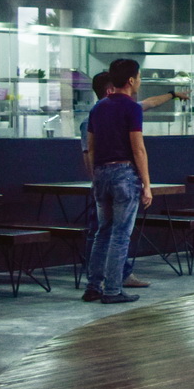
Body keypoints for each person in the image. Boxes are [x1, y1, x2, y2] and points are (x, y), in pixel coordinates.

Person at [83, 58, 153, 304]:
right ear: (131, 80)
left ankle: (93, 287)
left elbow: (91, 148)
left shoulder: (98, 108)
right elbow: (138, 149)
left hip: (101, 173)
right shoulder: (132, 108)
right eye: (139, 77)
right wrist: (147, 184)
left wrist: (96, 176)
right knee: (121, 235)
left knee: (102, 232)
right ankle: (112, 290)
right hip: (124, 174)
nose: (139, 82)